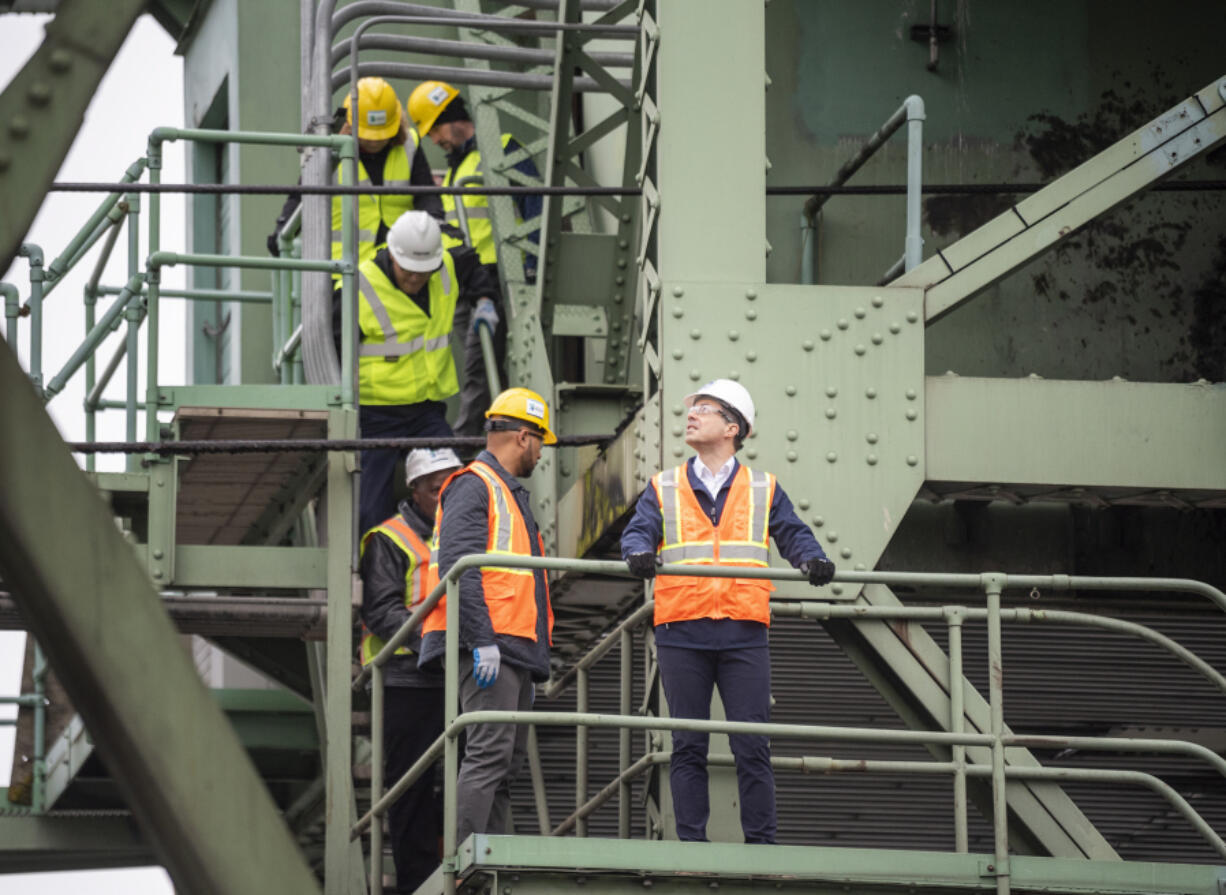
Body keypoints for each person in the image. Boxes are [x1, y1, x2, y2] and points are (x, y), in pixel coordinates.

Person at [619, 379, 836, 845]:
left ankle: (762, 849)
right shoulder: (665, 485)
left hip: (743, 630)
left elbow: (793, 533)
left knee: (752, 745)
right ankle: (692, 849)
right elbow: (638, 532)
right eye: (692, 408)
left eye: (704, 408)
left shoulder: (763, 487)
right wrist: (637, 552)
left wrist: (811, 559)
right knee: (688, 747)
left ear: (732, 427)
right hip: (682, 631)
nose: (691, 415)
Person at [418, 387, 557, 843]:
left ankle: (490, 856)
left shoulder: (507, 493)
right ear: (523, 437)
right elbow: (461, 567)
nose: (541, 453)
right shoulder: (475, 484)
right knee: (488, 754)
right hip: (489, 643)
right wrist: (481, 640)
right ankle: (463, 864)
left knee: (505, 764)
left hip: (512, 647)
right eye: (540, 442)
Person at [345, 210, 501, 534]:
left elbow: (472, 264)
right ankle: (376, 576)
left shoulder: (446, 267)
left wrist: (484, 299)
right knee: (370, 507)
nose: (415, 279)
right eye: (408, 271)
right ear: (391, 255)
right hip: (376, 417)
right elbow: (330, 345)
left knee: (453, 486)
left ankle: (448, 563)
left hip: (426, 413)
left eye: (423, 272)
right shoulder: (359, 287)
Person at [407, 81, 544, 436]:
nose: (435, 140)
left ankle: (464, 436)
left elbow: (535, 203)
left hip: (496, 275)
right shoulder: (454, 171)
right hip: (460, 282)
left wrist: (531, 263)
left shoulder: (501, 149)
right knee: (463, 361)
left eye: (435, 129)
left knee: (477, 362)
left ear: (451, 117)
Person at [358, 447, 462, 894]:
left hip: (459, 673)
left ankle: (462, 868)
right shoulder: (389, 538)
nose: (443, 497)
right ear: (415, 491)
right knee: (410, 786)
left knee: (471, 775)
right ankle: (419, 884)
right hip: (407, 677)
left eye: (451, 488)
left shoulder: (469, 530)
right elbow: (382, 610)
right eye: (435, 489)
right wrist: (430, 644)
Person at [267, 76, 442, 262]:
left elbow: (427, 196)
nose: (374, 141)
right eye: (368, 134)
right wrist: (283, 230)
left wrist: (437, 226)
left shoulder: (410, 144)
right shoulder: (328, 150)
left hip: (399, 265)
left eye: (382, 134)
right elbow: (302, 196)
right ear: (349, 123)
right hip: (344, 270)